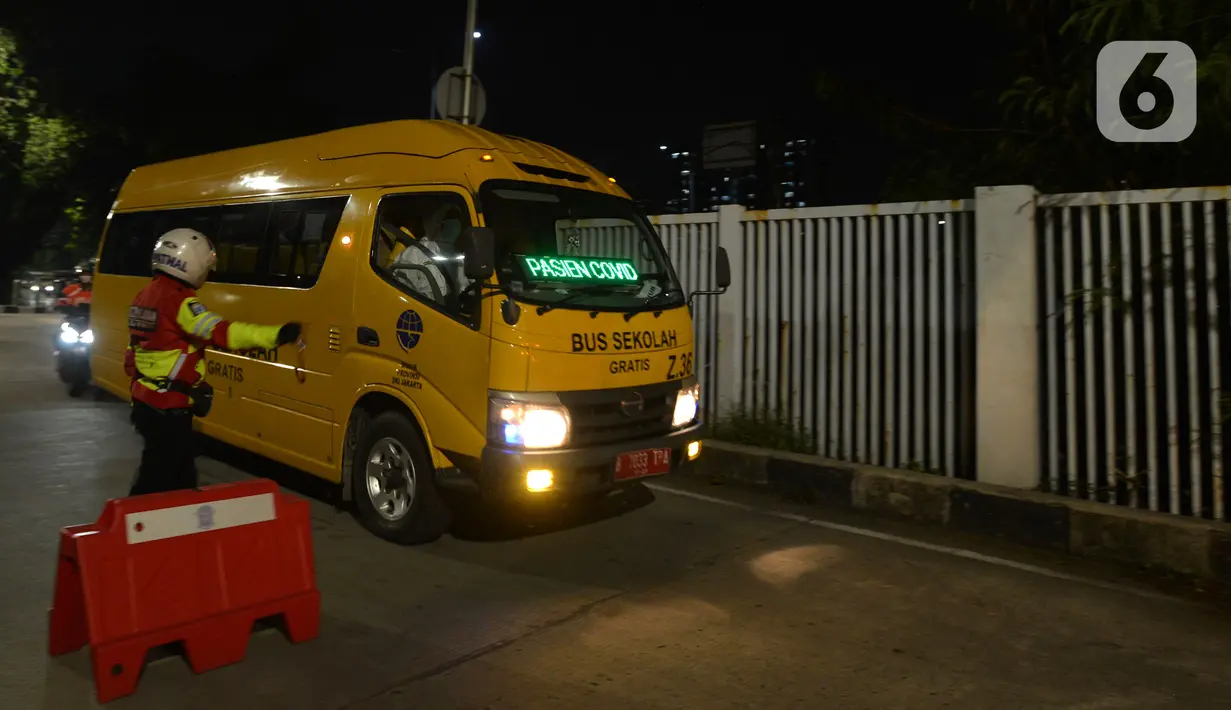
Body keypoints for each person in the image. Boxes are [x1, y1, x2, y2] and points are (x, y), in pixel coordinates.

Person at [125, 228, 302, 496]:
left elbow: (133, 353)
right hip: (168, 408)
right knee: (165, 480)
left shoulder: (144, 295)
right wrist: (276, 335)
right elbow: (223, 333)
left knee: (165, 473)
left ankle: (157, 527)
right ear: (191, 263)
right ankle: (137, 530)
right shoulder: (179, 301)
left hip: (145, 402)